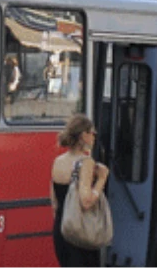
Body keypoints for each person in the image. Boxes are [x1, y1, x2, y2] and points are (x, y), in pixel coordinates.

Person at [50, 114, 108, 268]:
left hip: (61, 230)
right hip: (80, 233)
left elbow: (54, 203)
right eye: (93, 133)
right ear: (84, 135)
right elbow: (86, 201)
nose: (95, 137)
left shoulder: (58, 161)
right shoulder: (86, 162)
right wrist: (102, 179)